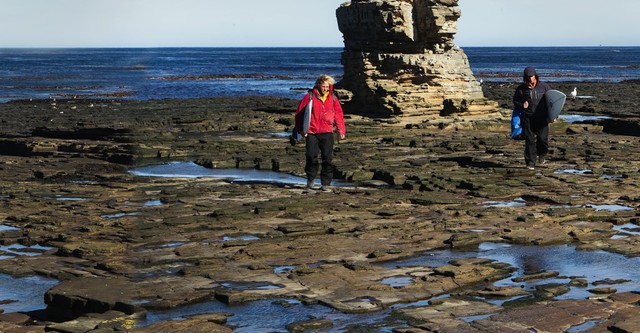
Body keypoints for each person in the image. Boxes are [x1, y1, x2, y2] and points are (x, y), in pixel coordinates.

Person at [295, 74, 346, 190]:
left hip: (327, 132)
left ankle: (326, 184)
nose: (325, 89)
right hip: (312, 132)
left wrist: (341, 129)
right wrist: (301, 130)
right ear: (318, 85)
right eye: (323, 86)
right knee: (311, 157)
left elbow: (338, 114)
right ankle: (310, 180)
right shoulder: (309, 97)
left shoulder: (333, 98)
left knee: (327, 158)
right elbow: (299, 114)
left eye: (327, 87)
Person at [512, 66, 551, 170]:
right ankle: (530, 163)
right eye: (528, 77)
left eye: (532, 76)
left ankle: (542, 154)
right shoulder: (521, 89)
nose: (530, 79)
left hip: (542, 118)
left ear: (535, 76)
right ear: (525, 77)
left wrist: (553, 115)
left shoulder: (544, 87)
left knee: (542, 140)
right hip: (528, 118)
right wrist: (521, 104)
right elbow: (515, 101)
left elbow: (552, 101)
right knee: (530, 140)